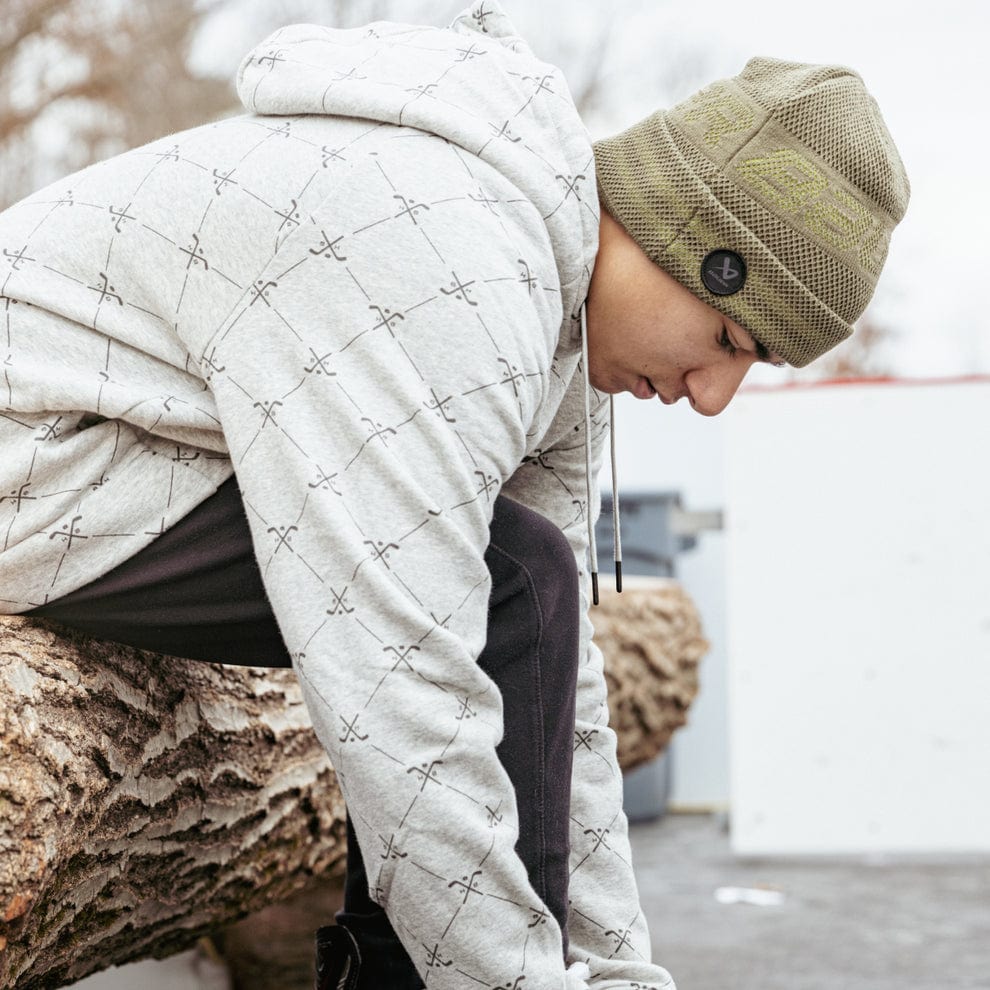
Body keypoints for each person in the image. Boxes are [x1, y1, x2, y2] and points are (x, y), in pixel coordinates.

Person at [0, 2, 908, 987]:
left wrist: (620, 972)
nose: (712, 395)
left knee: (527, 580)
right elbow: (405, 675)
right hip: (33, 457)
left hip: (88, 461)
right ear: (688, 237)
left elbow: (560, 683)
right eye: (729, 340)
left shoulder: (552, 294)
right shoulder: (446, 255)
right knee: (497, 590)